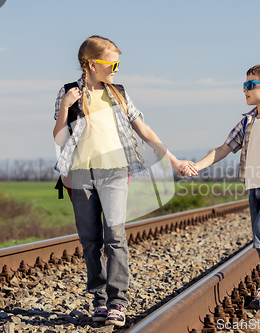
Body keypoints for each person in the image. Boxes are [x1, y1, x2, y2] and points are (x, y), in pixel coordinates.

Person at [52, 35, 196, 327]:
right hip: (80, 176)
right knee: (90, 241)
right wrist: (66, 108)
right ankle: (99, 301)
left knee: (115, 237)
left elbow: (144, 130)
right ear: (92, 64)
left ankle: (118, 301)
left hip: (115, 172)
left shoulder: (118, 93)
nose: (116, 68)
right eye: (112, 62)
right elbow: (59, 137)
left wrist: (173, 159)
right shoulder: (68, 92)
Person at [184, 62, 260, 312]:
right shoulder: (247, 122)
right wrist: (197, 166)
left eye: (250, 85)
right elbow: (224, 148)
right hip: (255, 185)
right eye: (244, 85)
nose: (244, 90)